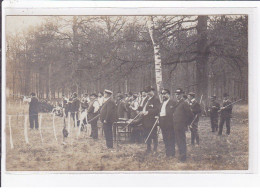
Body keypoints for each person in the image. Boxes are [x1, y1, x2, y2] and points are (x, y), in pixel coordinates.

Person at [172, 88, 193, 162]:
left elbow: (190, 115)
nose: (177, 96)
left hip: (181, 126)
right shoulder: (177, 103)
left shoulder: (184, 103)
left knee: (182, 141)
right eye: (176, 94)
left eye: (179, 94)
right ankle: (181, 155)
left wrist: (185, 124)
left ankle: (183, 157)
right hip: (176, 125)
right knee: (178, 141)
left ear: (181, 95)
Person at [141, 86, 160, 153]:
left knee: (153, 134)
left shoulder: (156, 99)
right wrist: (141, 111)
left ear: (152, 91)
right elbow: (143, 107)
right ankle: (148, 148)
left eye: (149, 91)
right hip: (145, 120)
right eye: (147, 92)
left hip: (152, 120)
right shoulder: (146, 99)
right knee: (147, 134)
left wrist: (148, 112)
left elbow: (157, 109)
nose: (148, 93)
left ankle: (155, 148)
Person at [159, 89, 176, 157]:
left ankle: (172, 153)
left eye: (165, 93)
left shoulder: (173, 102)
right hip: (163, 123)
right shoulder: (162, 103)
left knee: (171, 138)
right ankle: (167, 153)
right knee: (165, 138)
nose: (163, 95)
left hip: (170, 124)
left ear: (169, 94)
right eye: (162, 94)